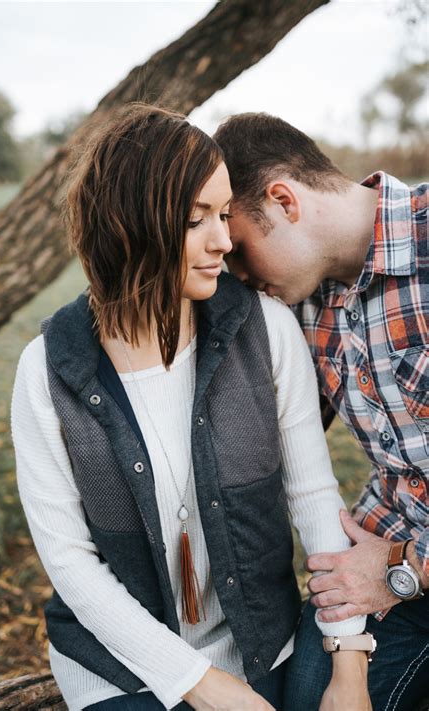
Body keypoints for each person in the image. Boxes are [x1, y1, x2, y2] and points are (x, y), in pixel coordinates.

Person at [11, 105, 370, 711]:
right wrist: (201, 684)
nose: (224, 242)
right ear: (132, 223)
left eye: (225, 214)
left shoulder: (267, 329)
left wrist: (349, 662)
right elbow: (72, 568)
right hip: (122, 668)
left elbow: (313, 498)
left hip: (266, 644)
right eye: (196, 218)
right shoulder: (46, 372)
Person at [213, 112, 429, 711]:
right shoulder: (302, 303)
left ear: (283, 201)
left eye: (241, 255)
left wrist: (406, 569)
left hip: (399, 566)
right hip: (381, 550)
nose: (241, 278)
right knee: (311, 700)